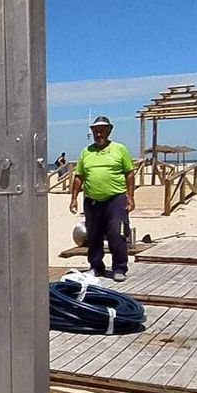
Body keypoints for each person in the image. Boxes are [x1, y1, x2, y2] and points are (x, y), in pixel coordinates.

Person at [69, 115, 137, 281]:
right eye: (95, 131)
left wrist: (131, 196)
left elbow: (129, 173)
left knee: (116, 233)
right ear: (92, 132)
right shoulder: (86, 152)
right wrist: (73, 198)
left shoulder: (119, 149)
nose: (99, 134)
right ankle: (96, 266)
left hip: (116, 199)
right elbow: (79, 176)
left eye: (102, 130)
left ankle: (119, 268)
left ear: (109, 130)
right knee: (93, 236)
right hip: (92, 201)